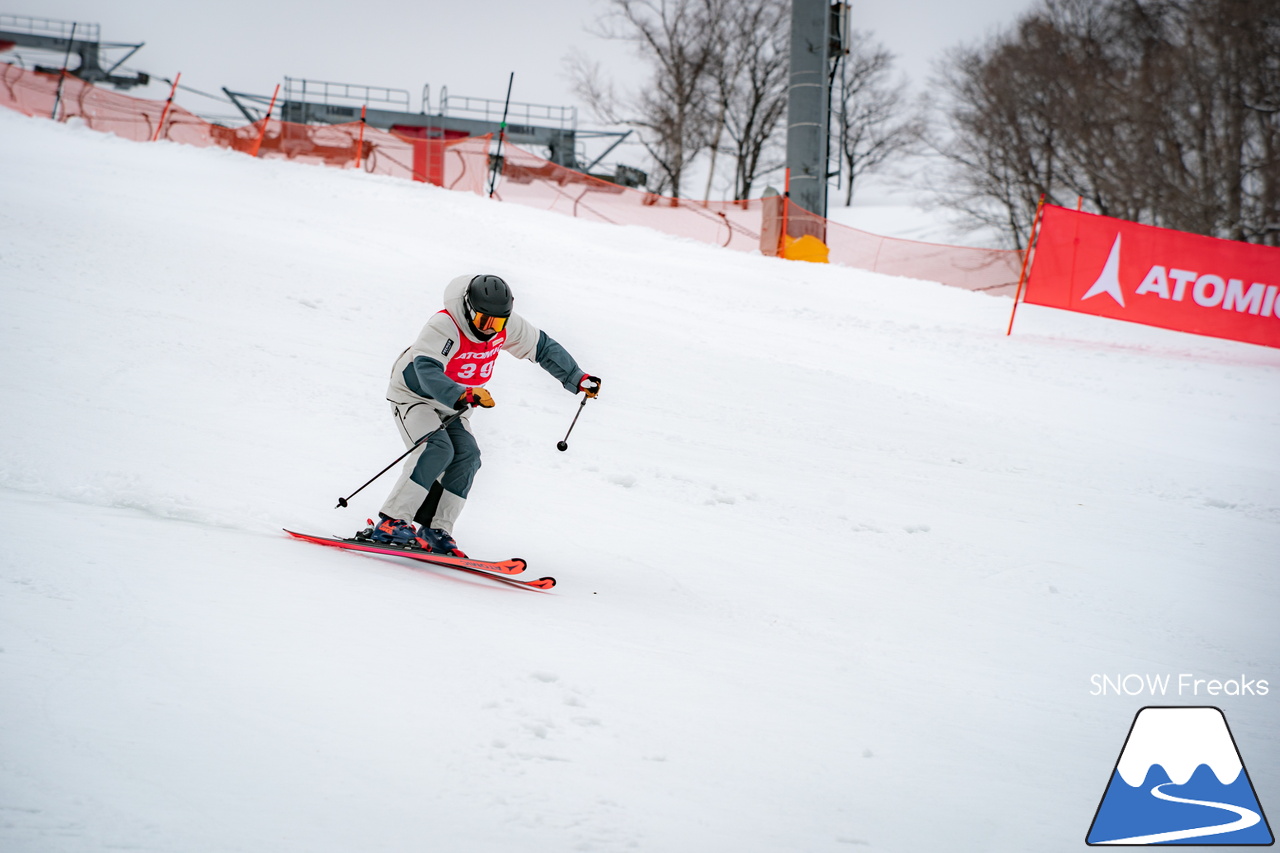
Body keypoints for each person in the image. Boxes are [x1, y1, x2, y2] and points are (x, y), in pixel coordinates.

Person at [360, 273, 600, 557]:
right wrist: (461, 394)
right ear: (468, 308)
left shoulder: (507, 326)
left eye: (497, 323)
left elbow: (544, 348)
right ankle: (392, 522)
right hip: (415, 396)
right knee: (436, 449)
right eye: (484, 320)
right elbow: (427, 370)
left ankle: (437, 529)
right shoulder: (444, 325)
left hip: (457, 403)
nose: (490, 328)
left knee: (468, 456)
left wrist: (577, 377)